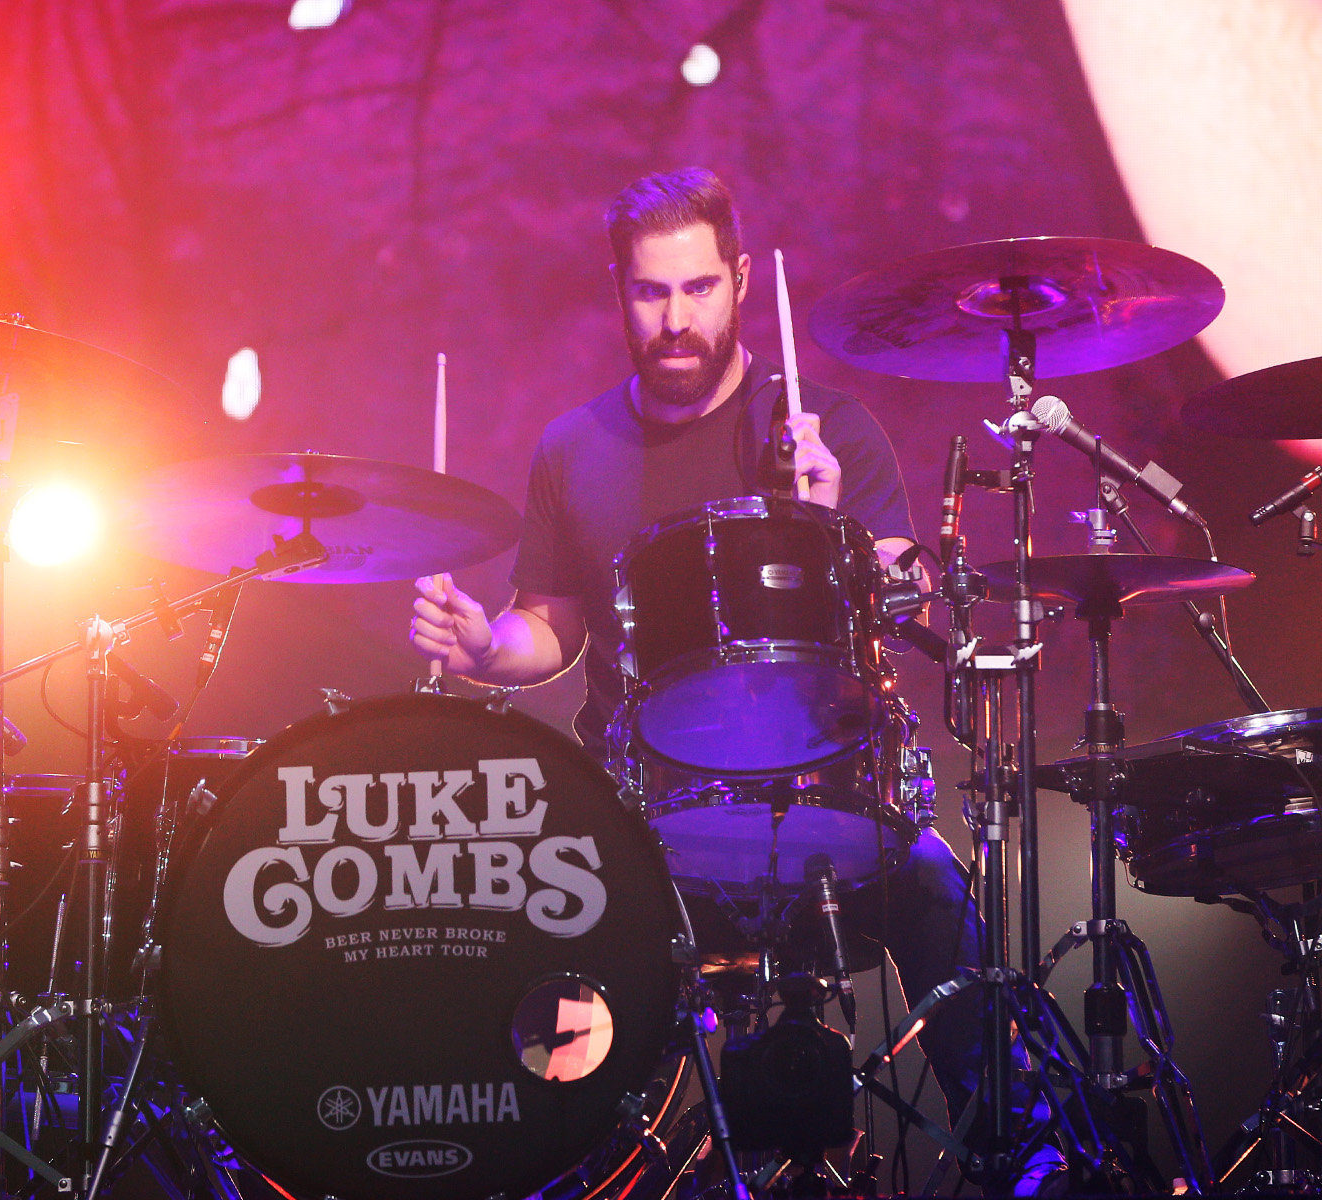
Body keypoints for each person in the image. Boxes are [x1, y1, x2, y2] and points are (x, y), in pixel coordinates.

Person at [408, 167, 994, 1130]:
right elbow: (549, 629)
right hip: (643, 824)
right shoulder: (573, 448)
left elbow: (906, 591)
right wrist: (481, 645)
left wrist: (831, 525)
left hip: (816, 801)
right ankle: (576, 1159)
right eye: (651, 292)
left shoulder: (826, 431)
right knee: (542, 961)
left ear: (741, 280)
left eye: (699, 287)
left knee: (936, 888)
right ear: (619, 291)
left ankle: (1023, 1152)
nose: (676, 318)